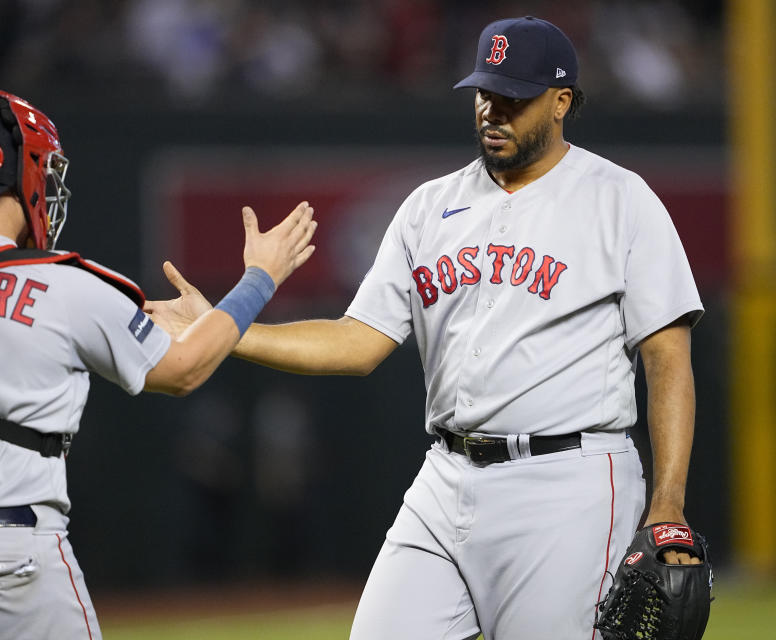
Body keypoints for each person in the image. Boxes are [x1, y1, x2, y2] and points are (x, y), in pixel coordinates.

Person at [145, 16, 704, 639]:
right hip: (446, 478)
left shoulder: (620, 200)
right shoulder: (429, 207)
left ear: (562, 101)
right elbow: (358, 342)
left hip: (567, 483)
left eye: (513, 98)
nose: (493, 111)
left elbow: (668, 363)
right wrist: (227, 327)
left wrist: (668, 505)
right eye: (485, 93)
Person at [0, 86, 316, 640]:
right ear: (19, 170)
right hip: (11, 557)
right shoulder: (64, 281)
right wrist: (258, 280)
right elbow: (186, 368)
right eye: (44, 169)